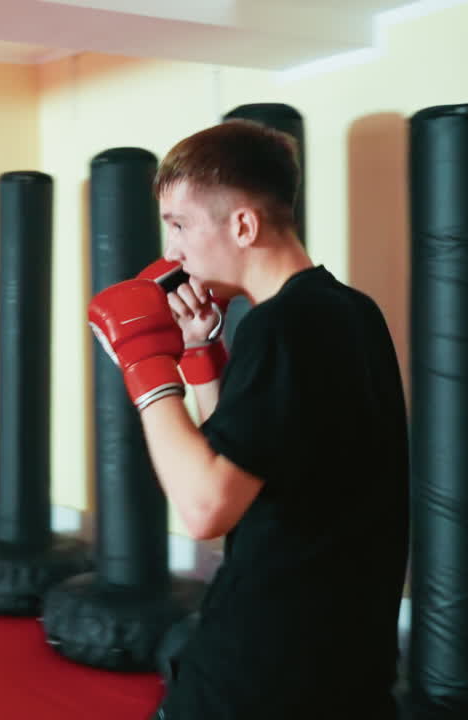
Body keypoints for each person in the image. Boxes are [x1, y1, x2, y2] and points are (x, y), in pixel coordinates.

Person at [88, 119, 409, 718]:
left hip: (265, 666)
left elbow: (207, 506)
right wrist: (199, 351)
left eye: (180, 225)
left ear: (242, 224)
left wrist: (144, 366)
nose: (171, 253)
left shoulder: (281, 327)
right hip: (342, 660)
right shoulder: (348, 311)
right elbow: (249, 463)